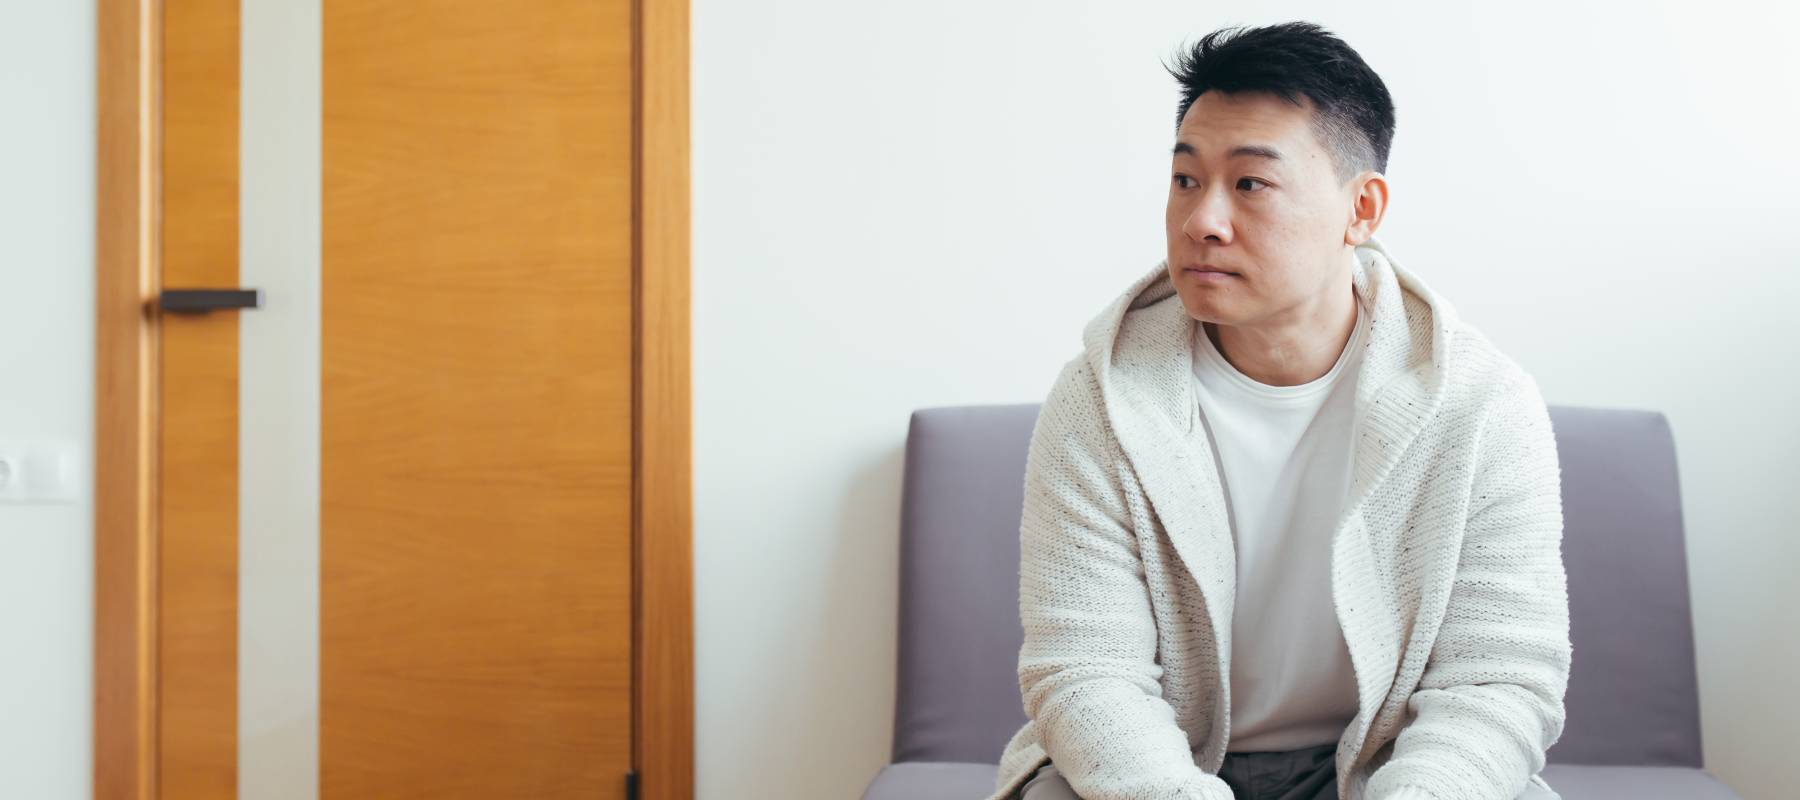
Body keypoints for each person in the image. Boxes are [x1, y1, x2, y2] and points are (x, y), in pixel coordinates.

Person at [988, 21, 1572, 800]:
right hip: (1163, 766)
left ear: (1362, 208)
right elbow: (1087, 672)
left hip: (1384, 766)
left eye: (1250, 184)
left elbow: (1496, 680)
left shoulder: (1481, 405)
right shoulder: (1102, 397)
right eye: (1186, 179)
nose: (1201, 221)